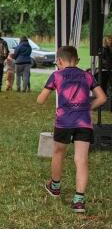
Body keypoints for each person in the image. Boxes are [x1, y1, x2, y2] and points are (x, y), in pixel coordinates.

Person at [37, 46, 107, 213]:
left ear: (59, 61)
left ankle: (55, 186)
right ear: (77, 60)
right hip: (84, 123)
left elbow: (40, 100)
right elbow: (102, 98)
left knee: (58, 152)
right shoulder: (87, 75)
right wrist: (89, 107)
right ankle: (79, 201)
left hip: (64, 122)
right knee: (81, 159)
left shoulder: (56, 75)